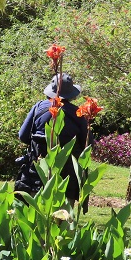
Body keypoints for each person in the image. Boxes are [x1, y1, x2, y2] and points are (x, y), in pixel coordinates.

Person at [18, 72, 89, 203]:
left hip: (36, 174)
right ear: (71, 95)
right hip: (67, 180)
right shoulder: (79, 114)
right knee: (63, 220)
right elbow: (88, 146)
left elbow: (23, 136)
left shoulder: (38, 108)